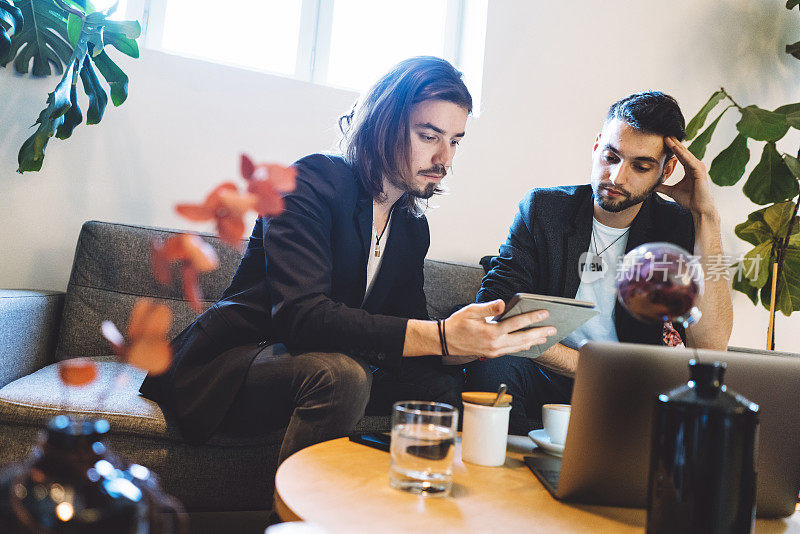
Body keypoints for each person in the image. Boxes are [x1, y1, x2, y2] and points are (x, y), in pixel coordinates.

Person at [139, 56, 557, 463]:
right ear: (383, 126)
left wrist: (469, 345)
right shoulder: (311, 182)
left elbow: (404, 329)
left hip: (318, 362)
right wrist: (443, 335)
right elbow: (301, 317)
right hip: (237, 362)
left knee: (439, 385)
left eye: (455, 141)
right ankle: (299, 525)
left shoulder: (411, 229)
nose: (445, 159)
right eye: (429, 136)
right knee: (342, 375)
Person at [467, 91, 733, 434]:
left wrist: (705, 215)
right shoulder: (543, 210)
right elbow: (494, 309)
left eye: (641, 166)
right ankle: (502, 478)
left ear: (666, 170)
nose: (617, 176)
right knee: (495, 365)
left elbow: (711, 349)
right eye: (611, 156)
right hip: (548, 371)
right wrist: (586, 366)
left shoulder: (677, 226)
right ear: (596, 146)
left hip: (631, 387)